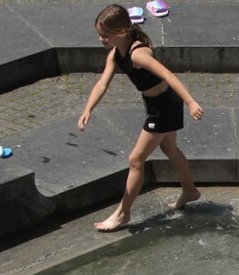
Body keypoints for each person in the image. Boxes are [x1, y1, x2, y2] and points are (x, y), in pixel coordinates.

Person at [77, 4, 203, 232]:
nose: (100, 38)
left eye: (105, 34)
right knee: (170, 149)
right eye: (99, 34)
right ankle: (190, 190)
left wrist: (191, 101)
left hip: (164, 107)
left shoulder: (138, 54)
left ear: (122, 32)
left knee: (135, 160)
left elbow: (167, 74)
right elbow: (102, 83)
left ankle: (123, 213)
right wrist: (88, 109)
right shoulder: (116, 54)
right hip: (157, 104)